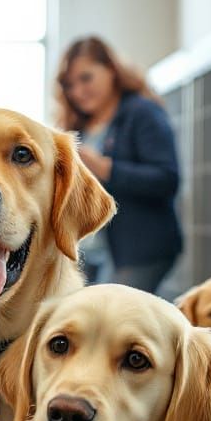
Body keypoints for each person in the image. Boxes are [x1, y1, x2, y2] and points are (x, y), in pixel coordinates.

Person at [54, 36, 182, 292]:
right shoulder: (77, 125)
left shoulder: (142, 113)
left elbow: (166, 179)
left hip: (139, 250)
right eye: (70, 85)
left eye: (86, 78)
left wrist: (103, 168)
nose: (78, 91)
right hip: (90, 250)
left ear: (111, 70)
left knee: (112, 321)